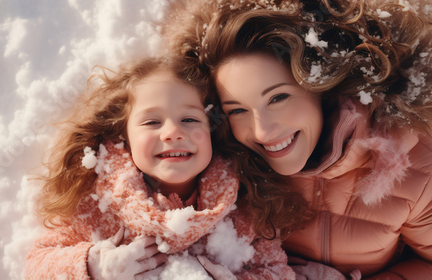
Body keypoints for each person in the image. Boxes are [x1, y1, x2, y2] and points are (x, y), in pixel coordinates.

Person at [164, 0, 432, 279]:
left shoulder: (414, 164)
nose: (263, 132)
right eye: (238, 110)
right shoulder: (223, 160)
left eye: (278, 98)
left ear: (323, 86)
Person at [25, 56, 298, 279]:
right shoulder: (97, 204)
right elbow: (38, 266)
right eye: (152, 122)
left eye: (190, 119)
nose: (173, 132)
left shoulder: (244, 208)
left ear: (213, 132)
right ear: (125, 137)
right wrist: (96, 266)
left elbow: (278, 272)